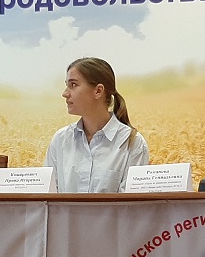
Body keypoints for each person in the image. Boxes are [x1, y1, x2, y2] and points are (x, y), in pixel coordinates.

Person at [44, 57, 149, 192]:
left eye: (73, 85)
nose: (65, 94)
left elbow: (131, 202)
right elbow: (48, 195)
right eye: (67, 85)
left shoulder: (132, 143)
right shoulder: (60, 140)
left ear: (98, 91)